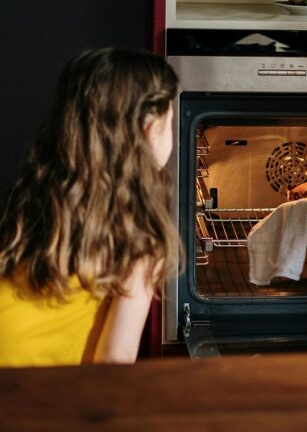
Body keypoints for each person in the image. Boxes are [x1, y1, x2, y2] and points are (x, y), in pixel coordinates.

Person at [0, 48, 181, 366]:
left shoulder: (28, 198)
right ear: (150, 130)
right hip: (38, 398)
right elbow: (114, 359)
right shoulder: (139, 236)